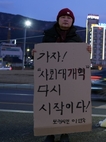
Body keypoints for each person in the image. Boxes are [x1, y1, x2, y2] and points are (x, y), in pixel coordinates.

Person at [34, 8, 91, 142]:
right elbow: (43, 55)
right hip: (51, 78)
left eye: (69, 18)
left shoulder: (77, 38)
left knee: (66, 104)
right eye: (63, 17)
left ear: (72, 21)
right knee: (51, 104)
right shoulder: (48, 36)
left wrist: (87, 51)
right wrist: (36, 54)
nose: (66, 19)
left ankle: (65, 132)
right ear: (58, 19)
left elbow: (80, 59)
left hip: (69, 78)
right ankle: (50, 132)